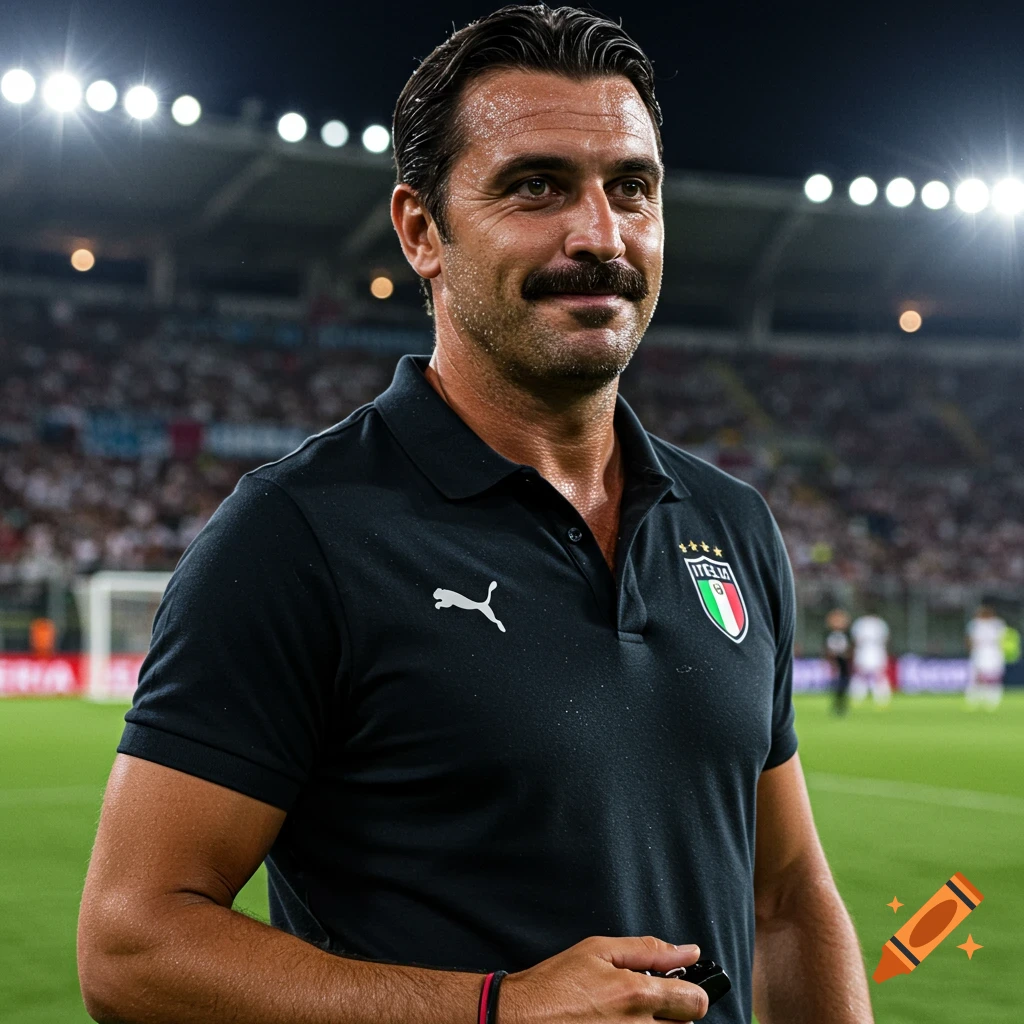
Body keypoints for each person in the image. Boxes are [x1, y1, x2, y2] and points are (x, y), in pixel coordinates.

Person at [77, 7, 874, 1024]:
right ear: (422, 232)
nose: (600, 235)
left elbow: (785, 898)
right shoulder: (299, 534)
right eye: (535, 186)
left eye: (632, 188)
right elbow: (131, 943)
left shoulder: (731, 523)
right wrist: (491, 1009)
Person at [965, 601, 1007, 711]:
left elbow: (1003, 639)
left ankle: (992, 698)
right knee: (977, 676)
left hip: (993, 651)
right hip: (980, 651)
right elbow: (969, 639)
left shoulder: (997, 624)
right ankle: (975, 697)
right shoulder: (975, 624)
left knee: (994, 676)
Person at [850, 608, 891, 706]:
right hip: (866, 651)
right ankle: (860, 696)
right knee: (863, 674)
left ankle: (880, 697)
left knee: (876, 675)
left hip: (874, 651)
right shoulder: (878, 623)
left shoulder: (862, 623)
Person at [824, 607, 853, 715]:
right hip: (835, 660)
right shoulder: (830, 635)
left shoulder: (846, 635)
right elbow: (827, 649)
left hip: (843, 660)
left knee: (844, 683)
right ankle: (837, 705)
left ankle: (841, 705)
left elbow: (850, 648)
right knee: (836, 684)